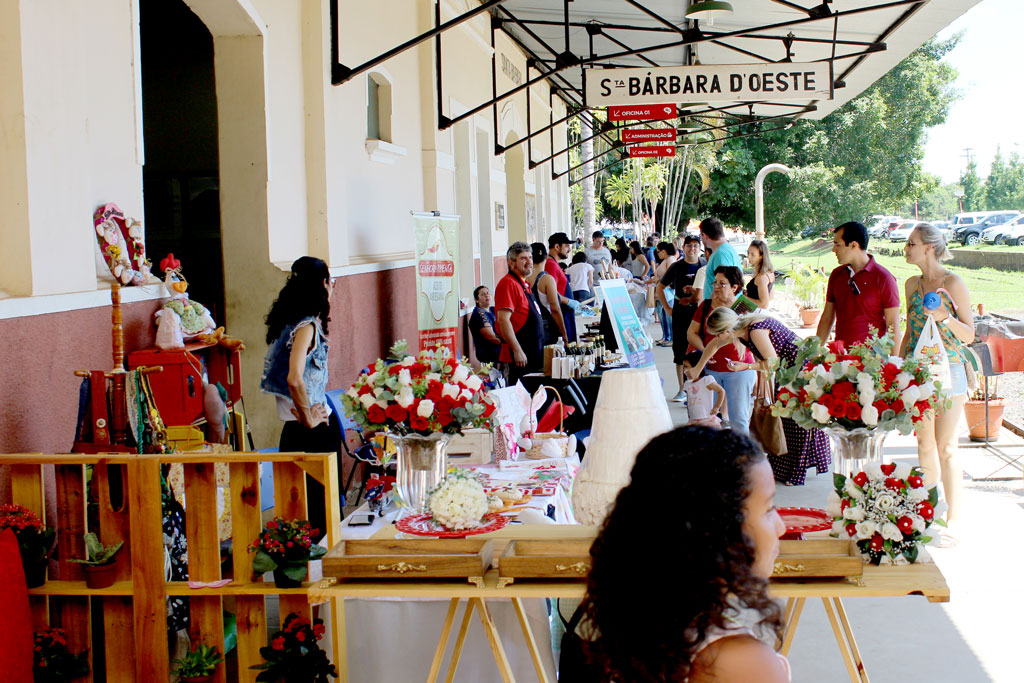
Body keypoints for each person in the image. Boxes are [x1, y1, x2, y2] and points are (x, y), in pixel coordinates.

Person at [579, 426, 788, 682]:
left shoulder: (649, 621)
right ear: (719, 530)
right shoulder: (738, 663)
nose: (782, 527)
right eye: (769, 509)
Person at [694, 307, 832, 485]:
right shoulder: (740, 330)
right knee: (784, 418)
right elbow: (714, 345)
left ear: (726, 331)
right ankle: (783, 465)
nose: (716, 339)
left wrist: (746, 367)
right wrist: (698, 367)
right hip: (786, 371)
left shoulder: (755, 331)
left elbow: (772, 362)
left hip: (799, 370)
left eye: (717, 334)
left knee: (797, 420)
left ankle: (796, 472)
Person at [898, 222, 974, 538]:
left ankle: (953, 520)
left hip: (950, 370)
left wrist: (947, 318)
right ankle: (927, 512)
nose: (906, 248)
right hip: (918, 372)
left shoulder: (952, 283)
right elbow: (909, 331)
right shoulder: (912, 284)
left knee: (946, 447)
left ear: (929, 247)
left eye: (911, 243)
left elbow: (969, 335)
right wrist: (897, 367)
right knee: (924, 442)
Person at [260, 256, 337, 535]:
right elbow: (294, 378)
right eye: (332, 282)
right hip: (311, 433)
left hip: (292, 433)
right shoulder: (307, 327)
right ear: (322, 285)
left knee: (297, 513)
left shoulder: (285, 325)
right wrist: (308, 418)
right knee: (319, 516)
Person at [687, 266, 757, 433]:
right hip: (711, 370)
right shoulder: (706, 306)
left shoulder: (745, 307)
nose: (716, 286)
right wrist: (705, 352)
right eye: (715, 282)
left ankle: (742, 456)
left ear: (735, 287)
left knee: (738, 420)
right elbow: (691, 333)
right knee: (709, 418)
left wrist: (759, 377)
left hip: (740, 371)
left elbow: (757, 344)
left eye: (722, 283)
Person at [816, 221, 901, 346]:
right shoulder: (836, 275)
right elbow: (827, 318)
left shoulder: (884, 278)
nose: (833, 250)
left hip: (872, 361)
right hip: (840, 360)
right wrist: (814, 354)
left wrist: (894, 362)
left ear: (853, 245)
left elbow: (893, 326)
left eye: (837, 245)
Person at [658, 235, 705, 400]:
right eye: (689, 246)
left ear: (700, 248)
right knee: (680, 350)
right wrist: (668, 308)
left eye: (695, 246)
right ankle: (682, 389)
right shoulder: (677, 266)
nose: (692, 249)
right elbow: (660, 287)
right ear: (683, 248)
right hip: (680, 311)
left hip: (700, 312)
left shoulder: (705, 265)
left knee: (701, 348)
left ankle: (701, 387)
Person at [495, 242, 544, 385]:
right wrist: (517, 350)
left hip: (534, 355)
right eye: (523, 258)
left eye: (530, 257)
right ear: (512, 263)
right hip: (520, 357)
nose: (529, 262)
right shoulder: (508, 284)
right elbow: (503, 320)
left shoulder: (524, 285)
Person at [526, 242, 570, 345]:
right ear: (546, 257)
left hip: (529, 328)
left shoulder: (525, 279)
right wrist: (564, 333)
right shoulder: (547, 279)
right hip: (546, 329)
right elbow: (555, 309)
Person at [546, 232, 579, 343]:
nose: (569, 250)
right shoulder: (550, 264)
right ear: (557, 247)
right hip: (561, 315)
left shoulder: (554, 264)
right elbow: (551, 293)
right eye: (566, 246)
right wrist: (568, 301)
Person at [681, 351, 725, 428]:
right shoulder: (687, 384)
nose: (684, 370)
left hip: (707, 419)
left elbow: (721, 391)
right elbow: (689, 401)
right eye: (684, 367)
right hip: (693, 420)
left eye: (687, 366)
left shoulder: (706, 380)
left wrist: (717, 407)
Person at [700, 216, 743, 296]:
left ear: (704, 235)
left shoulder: (721, 254)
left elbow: (724, 287)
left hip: (720, 306)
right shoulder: (725, 249)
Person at [652, 241, 678, 347]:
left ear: (663, 251)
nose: (658, 254)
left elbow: (672, 276)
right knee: (662, 314)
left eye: (658, 252)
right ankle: (666, 336)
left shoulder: (670, 260)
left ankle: (671, 337)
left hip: (668, 291)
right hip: (662, 290)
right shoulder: (666, 260)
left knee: (668, 315)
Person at [468, 285, 501, 364]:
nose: (487, 295)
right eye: (483, 294)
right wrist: (509, 343)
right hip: (490, 353)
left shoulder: (492, 309)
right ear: (476, 300)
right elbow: (492, 338)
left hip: (499, 349)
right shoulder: (479, 313)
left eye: (487, 293)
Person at [746, 239, 775, 309]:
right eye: (748, 253)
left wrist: (744, 298)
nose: (749, 257)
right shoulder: (769, 273)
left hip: (756, 315)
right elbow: (770, 296)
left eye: (753, 254)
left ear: (761, 256)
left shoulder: (762, 277)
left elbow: (764, 304)